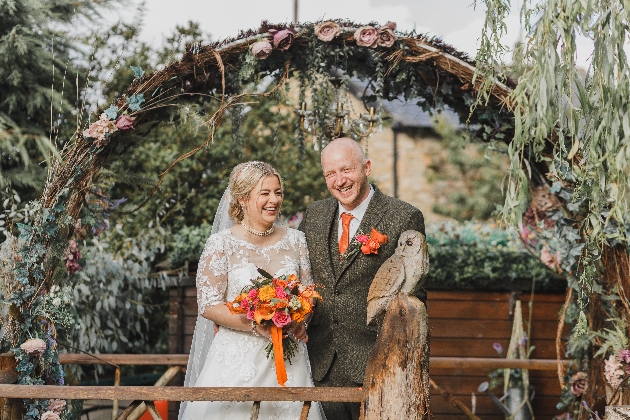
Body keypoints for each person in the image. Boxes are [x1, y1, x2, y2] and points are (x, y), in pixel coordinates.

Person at [179, 161, 324, 420]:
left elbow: (308, 294)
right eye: (265, 193)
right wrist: (259, 325)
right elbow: (209, 305)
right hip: (237, 357)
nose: (274, 200)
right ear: (243, 199)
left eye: (278, 192)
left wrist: (299, 320)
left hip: (289, 359)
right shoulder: (221, 244)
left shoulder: (296, 240)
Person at [300, 137, 426, 420]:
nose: (339, 180)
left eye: (346, 170)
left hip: (377, 360)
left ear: (366, 167)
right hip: (321, 361)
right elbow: (296, 272)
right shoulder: (315, 215)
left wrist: (402, 361)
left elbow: (414, 294)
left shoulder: (404, 216)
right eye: (330, 174)